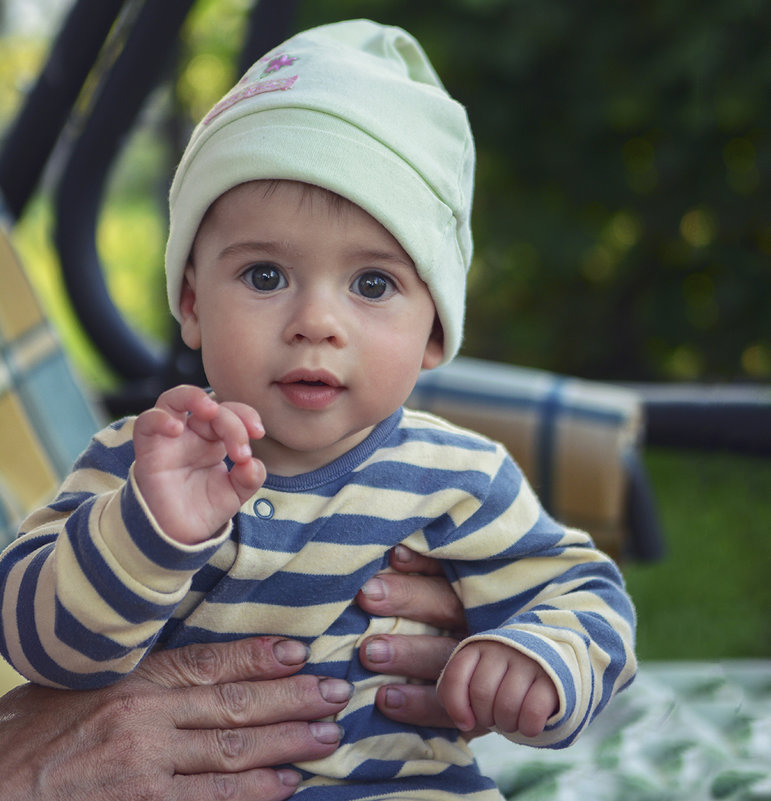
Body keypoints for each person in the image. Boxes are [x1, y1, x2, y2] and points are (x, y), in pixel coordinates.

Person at [0, 19, 636, 801]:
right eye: (264, 275)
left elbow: (584, 595)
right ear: (192, 304)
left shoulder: (460, 478)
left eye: (372, 284)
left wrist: (536, 659)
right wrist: (146, 534)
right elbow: (41, 644)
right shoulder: (144, 461)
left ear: (434, 331)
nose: (315, 321)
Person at [0, 549, 470, 801]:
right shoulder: (141, 453)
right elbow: (24, 618)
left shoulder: (461, 471)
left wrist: (500, 657)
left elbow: (541, 598)